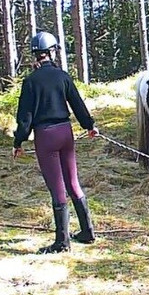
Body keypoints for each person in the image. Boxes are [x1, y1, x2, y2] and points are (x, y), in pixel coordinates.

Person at [12, 31, 98, 252]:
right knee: (73, 183)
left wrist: (18, 142)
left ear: (35, 56)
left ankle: (62, 243)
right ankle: (87, 231)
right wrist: (89, 126)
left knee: (57, 189)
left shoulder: (30, 82)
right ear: (53, 53)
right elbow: (78, 105)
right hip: (65, 132)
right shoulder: (63, 76)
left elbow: (25, 117)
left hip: (46, 136)